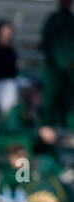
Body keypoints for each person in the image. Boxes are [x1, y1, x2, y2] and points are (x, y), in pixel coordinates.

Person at [41, 0, 74, 128]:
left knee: (68, 102)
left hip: (69, 71)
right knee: (50, 101)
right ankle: (48, 128)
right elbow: (48, 44)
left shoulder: (71, 21)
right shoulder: (53, 21)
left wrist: (69, 65)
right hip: (55, 71)